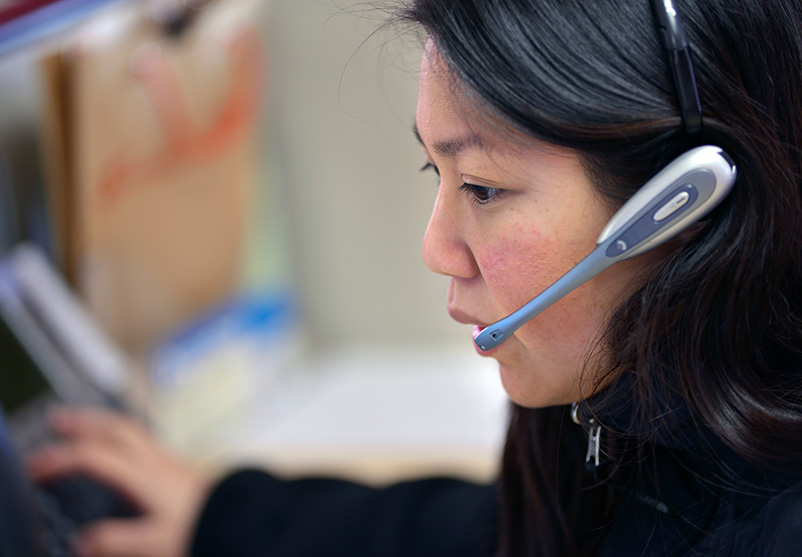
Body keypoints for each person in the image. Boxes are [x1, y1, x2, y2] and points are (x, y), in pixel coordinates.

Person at [27, 0, 802, 555]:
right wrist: (224, 517)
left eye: (484, 187)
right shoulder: (611, 416)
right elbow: (496, 531)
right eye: (436, 169)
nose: (436, 247)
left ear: (677, 204)